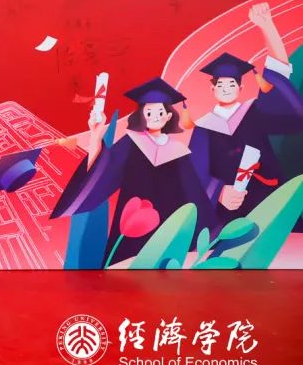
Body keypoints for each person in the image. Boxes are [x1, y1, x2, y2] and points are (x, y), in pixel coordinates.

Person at [52, 78, 213, 266]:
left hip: (171, 224)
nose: (155, 116)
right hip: (134, 220)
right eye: (149, 112)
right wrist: (96, 135)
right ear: (141, 114)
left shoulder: (178, 150)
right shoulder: (131, 142)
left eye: (160, 112)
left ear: (169, 116)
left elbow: (193, 194)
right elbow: (104, 169)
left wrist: (203, 231)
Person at [189, 3, 303, 230]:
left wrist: (267, 27)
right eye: (221, 85)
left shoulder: (255, 112)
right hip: (229, 213)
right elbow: (196, 173)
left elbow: (278, 78)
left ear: (241, 88)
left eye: (232, 84)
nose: (226, 89)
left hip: (270, 201)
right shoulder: (203, 129)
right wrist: (220, 193)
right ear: (212, 89)